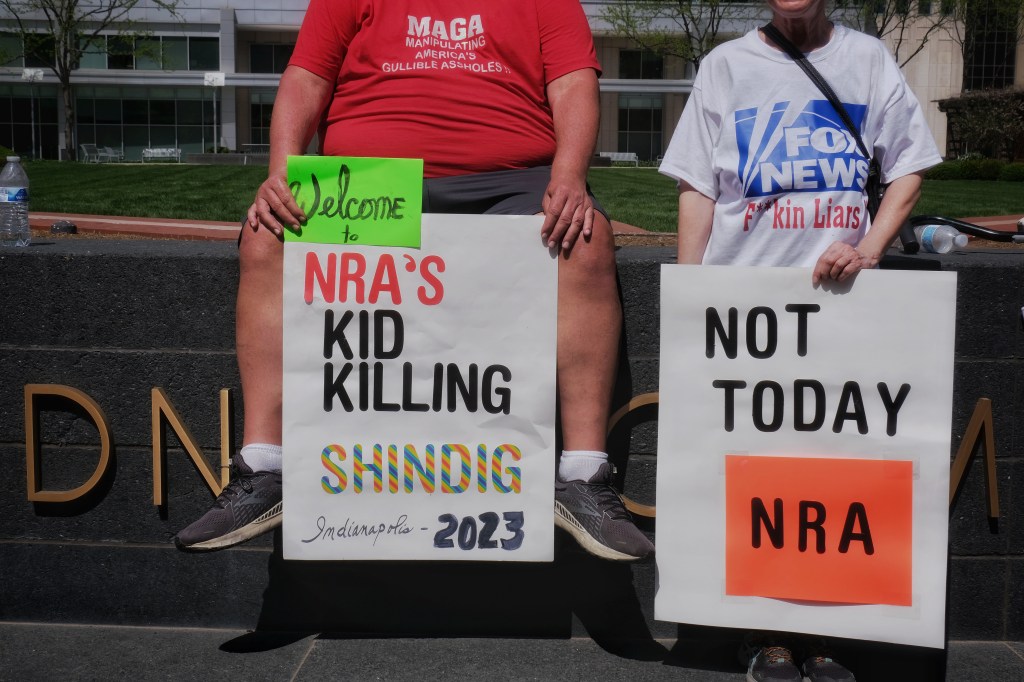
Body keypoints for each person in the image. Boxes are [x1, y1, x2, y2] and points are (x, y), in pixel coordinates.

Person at [173, 0, 654, 563]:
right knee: (267, 235)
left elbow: (573, 86)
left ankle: (583, 478)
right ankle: (263, 469)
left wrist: (569, 174)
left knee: (586, 236)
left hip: (508, 181)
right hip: (374, 182)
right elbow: (305, 79)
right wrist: (283, 167)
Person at [658, 0, 942, 680]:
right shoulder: (725, 67)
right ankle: (763, 635)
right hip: (745, 311)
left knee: (829, 476)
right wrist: (690, 297)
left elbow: (909, 166)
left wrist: (870, 248)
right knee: (752, 477)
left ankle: (824, 636)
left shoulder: (867, 59)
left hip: (841, 308)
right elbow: (698, 189)